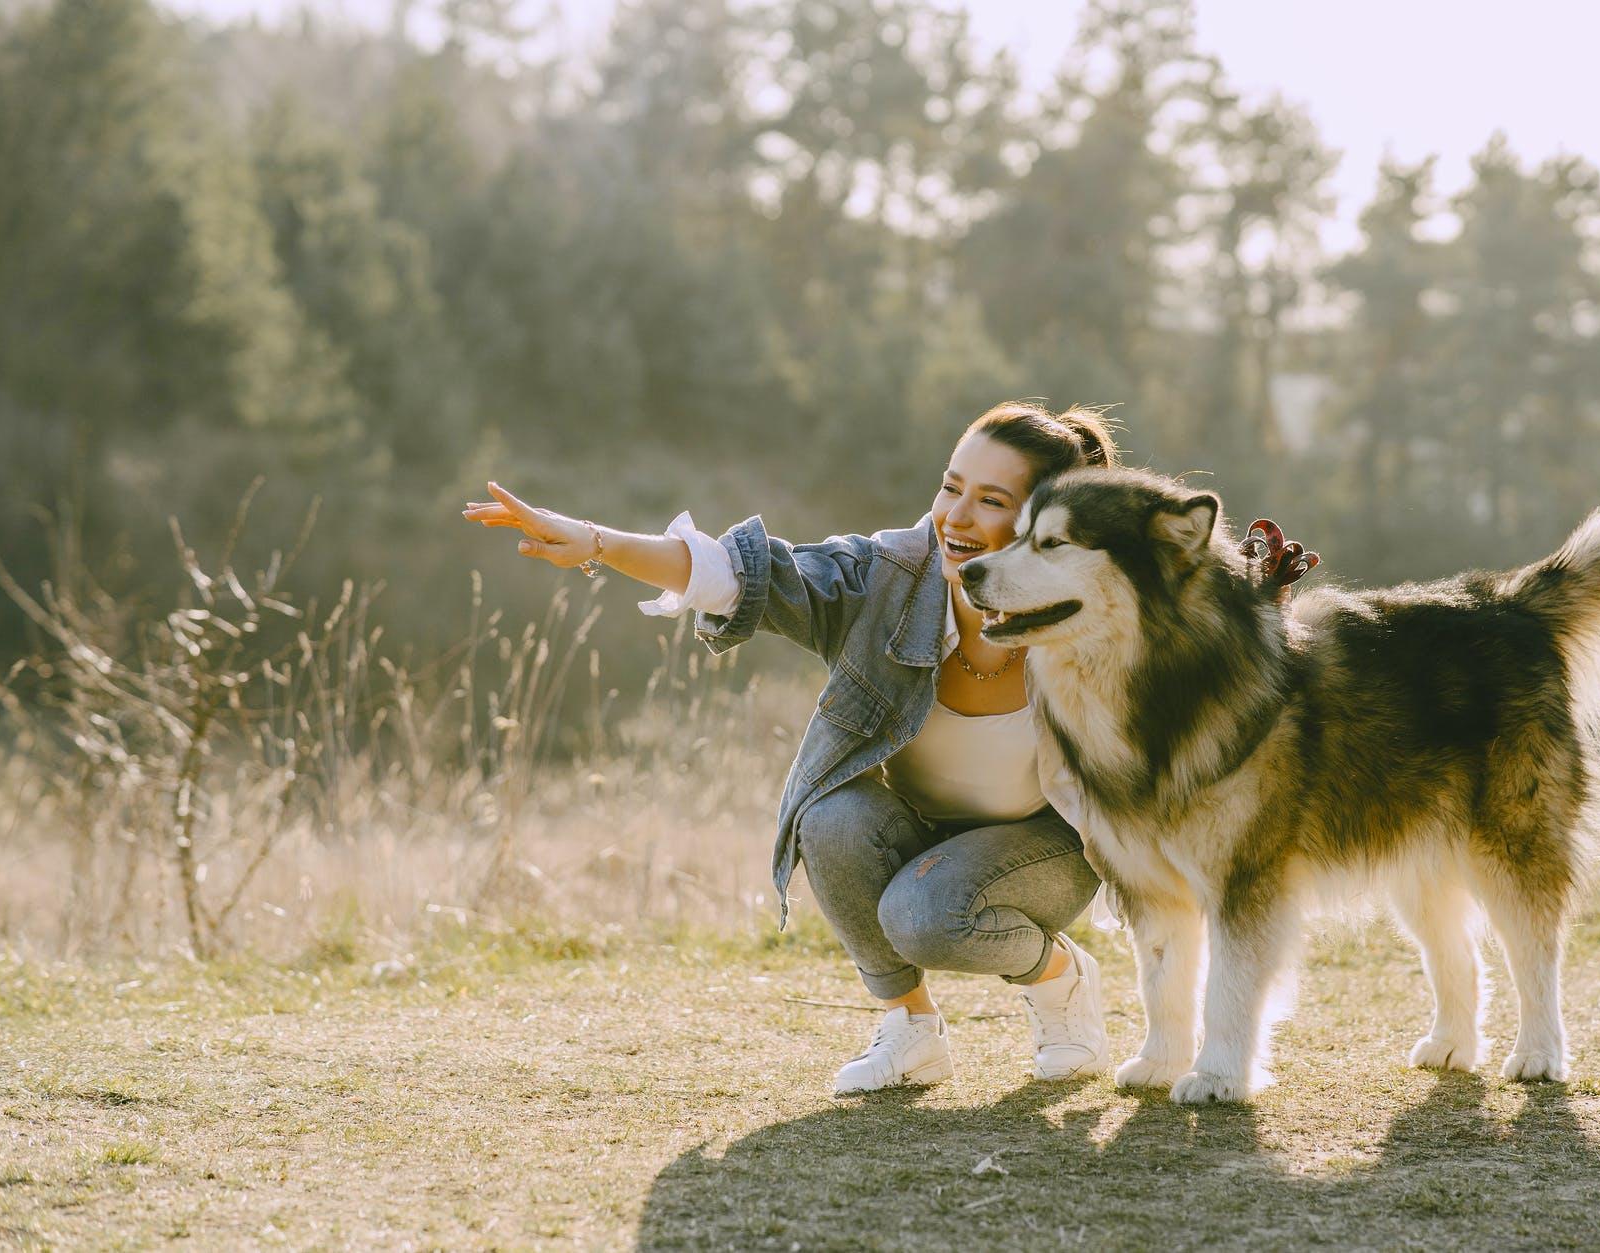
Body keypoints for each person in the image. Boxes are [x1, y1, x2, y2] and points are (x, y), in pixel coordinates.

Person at [463, 402, 1122, 1094]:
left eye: (992, 500)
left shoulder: (1099, 614)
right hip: (923, 828)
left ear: (1050, 524)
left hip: (1047, 844)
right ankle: (911, 1030)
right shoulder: (889, 577)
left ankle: (1061, 983)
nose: (955, 516)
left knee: (924, 915)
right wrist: (595, 540)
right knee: (828, 814)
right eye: (950, 486)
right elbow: (745, 573)